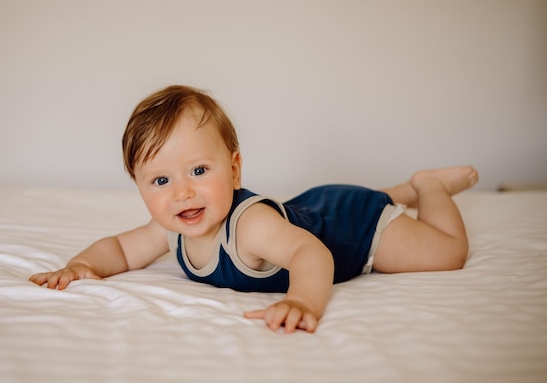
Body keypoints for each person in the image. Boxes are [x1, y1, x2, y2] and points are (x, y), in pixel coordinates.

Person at [29, 85, 479, 333]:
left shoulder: (250, 227)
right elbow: (121, 251)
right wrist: (81, 265)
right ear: (140, 187)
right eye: (161, 181)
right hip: (315, 206)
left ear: (235, 169)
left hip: (354, 227)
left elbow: (312, 255)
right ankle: (396, 191)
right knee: (333, 208)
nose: (182, 193)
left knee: (446, 253)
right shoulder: (171, 229)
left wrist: (302, 299)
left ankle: (428, 187)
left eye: (199, 170)